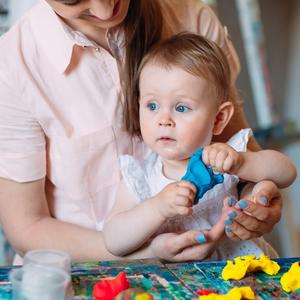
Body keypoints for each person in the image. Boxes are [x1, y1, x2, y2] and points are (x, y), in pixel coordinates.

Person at [0, 0, 287, 263]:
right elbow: (28, 228)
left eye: (182, 108)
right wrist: (149, 252)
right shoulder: (14, 64)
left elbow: (247, 159)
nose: (104, 11)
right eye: (73, 0)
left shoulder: (190, 15)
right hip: (81, 275)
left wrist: (257, 198)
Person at [102, 33, 296, 260]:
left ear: (218, 119)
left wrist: (242, 162)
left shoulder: (225, 158)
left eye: (181, 108)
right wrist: (158, 208)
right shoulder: (142, 176)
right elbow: (113, 240)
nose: (164, 119)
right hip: (180, 286)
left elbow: (287, 172)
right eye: (152, 105)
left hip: (242, 272)